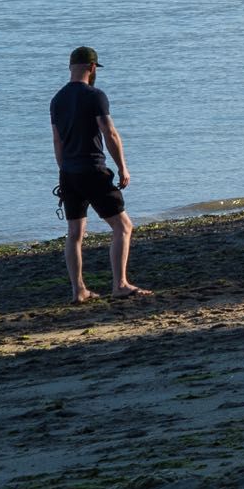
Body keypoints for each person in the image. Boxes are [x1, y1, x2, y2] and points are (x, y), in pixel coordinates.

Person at [50, 45, 149, 303]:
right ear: (92, 68)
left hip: (69, 172)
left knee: (74, 234)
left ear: (71, 67)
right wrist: (122, 167)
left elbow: (57, 143)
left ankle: (78, 290)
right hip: (92, 169)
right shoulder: (95, 95)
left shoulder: (57, 99)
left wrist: (65, 172)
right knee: (123, 226)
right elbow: (109, 133)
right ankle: (120, 284)